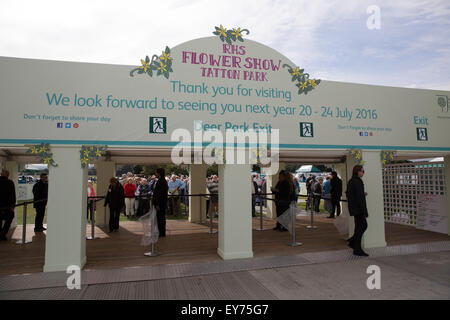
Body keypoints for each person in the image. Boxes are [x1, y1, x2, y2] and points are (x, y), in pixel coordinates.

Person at [346, 165, 369, 257]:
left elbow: (351, 194)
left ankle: (353, 243)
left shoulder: (352, 181)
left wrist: (362, 194)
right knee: (363, 226)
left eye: (363, 171)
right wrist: (365, 212)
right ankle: (356, 247)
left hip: (355, 209)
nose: (363, 173)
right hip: (358, 209)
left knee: (359, 227)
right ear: (357, 171)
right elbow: (360, 199)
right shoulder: (357, 181)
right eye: (362, 171)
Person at [0, 169, 16, 241]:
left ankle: (1, 234)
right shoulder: (10, 182)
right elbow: (12, 195)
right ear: (7, 175)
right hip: (7, 206)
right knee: (10, 218)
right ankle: (3, 234)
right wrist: (12, 205)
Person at [153, 168, 168, 237]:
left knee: (160, 218)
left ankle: (161, 233)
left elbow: (160, 195)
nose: (155, 174)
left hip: (160, 204)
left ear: (159, 173)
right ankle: (161, 232)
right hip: (161, 203)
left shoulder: (162, 182)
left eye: (156, 173)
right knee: (160, 218)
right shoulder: (161, 181)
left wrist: (157, 204)